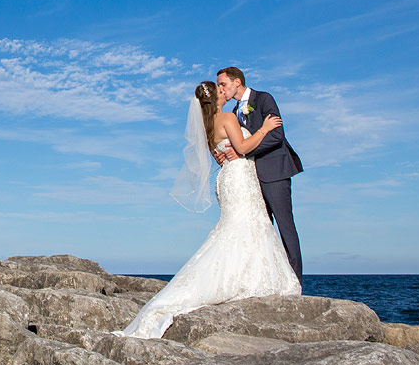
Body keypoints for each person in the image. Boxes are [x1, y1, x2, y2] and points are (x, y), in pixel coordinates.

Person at [114, 80, 300, 340]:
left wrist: (230, 154)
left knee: (235, 228)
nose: (225, 91)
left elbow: (219, 155)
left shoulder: (206, 126)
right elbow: (244, 149)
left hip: (226, 178)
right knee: (248, 225)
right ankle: (244, 277)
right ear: (218, 96)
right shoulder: (225, 117)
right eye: (221, 89)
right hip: (240, 177)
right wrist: (265, 129)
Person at [214, 66, 303, 282]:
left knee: (285, 227)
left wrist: (243, 149)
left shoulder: (263, 99)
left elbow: (276, 136)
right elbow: (234, 143)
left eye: (223, 84)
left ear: (237, 82)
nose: (221, 89)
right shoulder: (233, 113)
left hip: (273, 172)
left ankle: (295, 281)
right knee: (260, 230)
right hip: (249, 179)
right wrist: (223, 154)